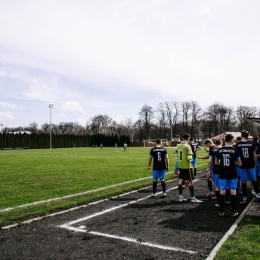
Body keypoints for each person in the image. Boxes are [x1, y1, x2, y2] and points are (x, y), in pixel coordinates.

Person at [215, 134, 242, 217]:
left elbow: (216, 162)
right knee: (233, 192)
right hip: (232, 172)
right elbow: (240, 164)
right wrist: (234, 163)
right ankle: (233, 212)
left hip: (223, 173)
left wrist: (222, 163)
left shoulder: (219, 150)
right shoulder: (235, 150)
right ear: (231, 141)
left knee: (222, 192)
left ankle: (221, 211)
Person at [235, 130, 260, 204]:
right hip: (250, 165)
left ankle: (244, 199)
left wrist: (237, 163)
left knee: (244, 182)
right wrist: (255, 164)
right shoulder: (251, 144)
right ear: (248, 136)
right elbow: (254, 155)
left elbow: (236, 156)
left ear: (241, 135)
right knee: (254, 180)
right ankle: (259, 195)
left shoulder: (237, 145)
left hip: (242, 165)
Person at [176, 133, 202, 203]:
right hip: (187, 166)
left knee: (181, 180)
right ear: (188, 138)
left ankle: (181, 197)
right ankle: (193, 198)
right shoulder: (188, 146)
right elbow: (189, 157)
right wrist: (192, 154)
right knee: (191, 181)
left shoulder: (178, 145)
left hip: (180, 165)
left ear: (182, 138)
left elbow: (175, 152)